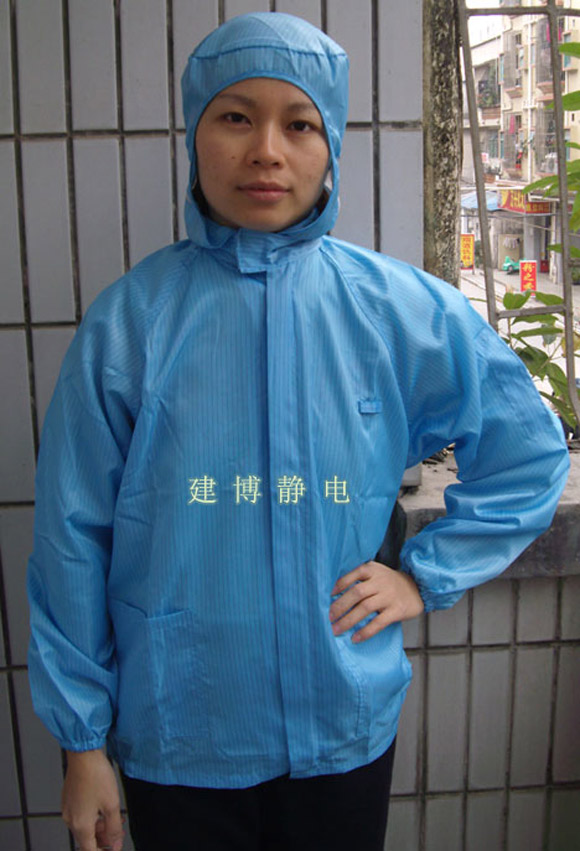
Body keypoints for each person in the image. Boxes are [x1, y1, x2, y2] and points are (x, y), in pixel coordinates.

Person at [27, 12, 569, 851]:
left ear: (332, 145)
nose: (266, 151)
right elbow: (71, 535)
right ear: (195, 133)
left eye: (300, 124)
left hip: (341, 723)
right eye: (235, 116)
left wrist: (422, 578)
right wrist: (83, 740)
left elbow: (527, 453)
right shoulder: (130, 325)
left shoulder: (399, 311)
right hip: (180, 729)